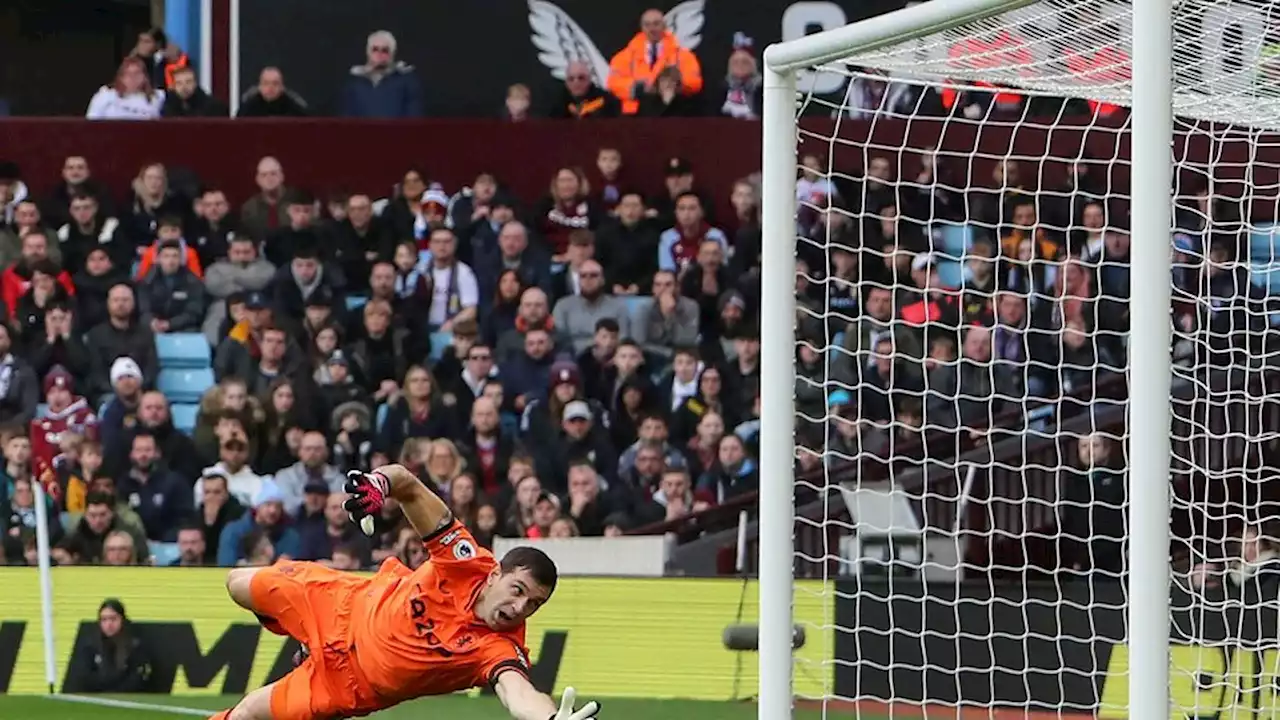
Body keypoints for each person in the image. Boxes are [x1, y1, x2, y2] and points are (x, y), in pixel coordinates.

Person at [206, 464, 600, 720]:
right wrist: (379, 484)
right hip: (344, 605)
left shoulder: (499, 647)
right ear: (495, 573)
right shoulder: (463, 558)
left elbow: (518, 693)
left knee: (245, 717)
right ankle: (308, 640)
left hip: (347, 684)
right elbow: (407, 485)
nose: (519, 607)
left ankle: (313, 657)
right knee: (237, 584)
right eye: (518, 590)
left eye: (533, 604)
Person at [63, 598, 153, 692]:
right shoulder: (91, 646)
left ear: (122, 620)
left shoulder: (135, 646)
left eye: (113, 619)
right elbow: (84, 677)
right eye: (104, 620)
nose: (109, 624)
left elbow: (137, 679)